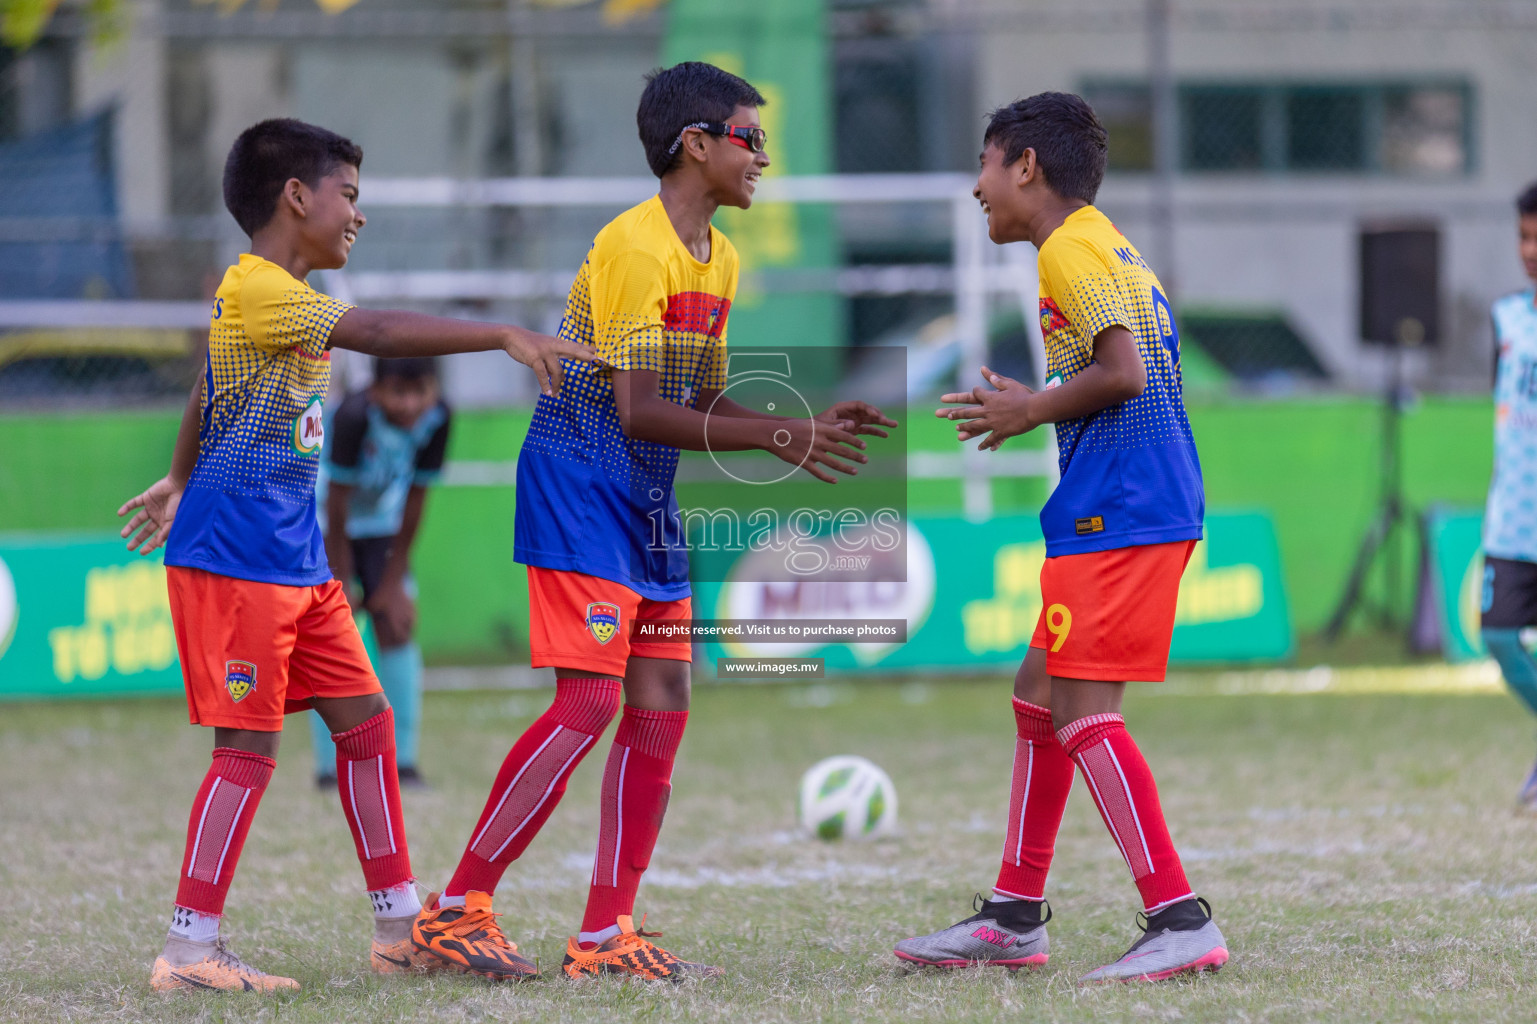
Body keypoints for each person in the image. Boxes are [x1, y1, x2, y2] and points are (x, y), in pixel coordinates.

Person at [407, 62, 896, 982]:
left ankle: (604, 932)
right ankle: (457, 907)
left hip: (648, 497)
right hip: (581, 480)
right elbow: (636, 408)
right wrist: (781, 436)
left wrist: (797, 425)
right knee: (589, 700)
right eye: (751, 138)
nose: (763, 156)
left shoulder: (720, 253)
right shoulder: (637, 247)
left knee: (662, 706)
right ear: (695, 144)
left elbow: (700, 396)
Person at [118, 118, 593, 994]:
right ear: (297, 197)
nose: (357, 215)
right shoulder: (259, 286)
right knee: (246, 752)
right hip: (236, 557)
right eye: (350, 195)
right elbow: (371, 330)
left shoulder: (271, 298)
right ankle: (187, 953)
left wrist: (177, 474)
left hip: (297, 559)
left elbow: (207, 380)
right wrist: (500, 335)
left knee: (367, 727)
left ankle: (399, 928)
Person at [895, 92, 1228, 983]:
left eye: (984, 164)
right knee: (1040, 692)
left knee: (1084, 716)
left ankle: (1177, 916)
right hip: (1120, 501)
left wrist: (1031, 406)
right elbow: (1114, 369)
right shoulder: (1098, 240)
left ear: (1025, 167)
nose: (977, 188)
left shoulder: (1070, 249)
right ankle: (1011, 915)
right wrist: (1032, 404)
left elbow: (1120, 374)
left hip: (1119, 507)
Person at [309, 356, 452, 790]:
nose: (410, 404)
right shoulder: (354, 417)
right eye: (398, 393)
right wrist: (341, 581)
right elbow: (335, 501)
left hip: (381, 527)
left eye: (420, 392)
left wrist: (393, 582)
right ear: (376, 390)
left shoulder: (438, 418)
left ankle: (403, 762)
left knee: (397, 623)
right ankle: (330, 769)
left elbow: (416, 498)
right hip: (325, 525)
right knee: (335, 635)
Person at [1480, 181, 1537, 810]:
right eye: (1523, 238)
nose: (1529, 251)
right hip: (1513, 521)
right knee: (1498, 639)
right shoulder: (1507, 319)